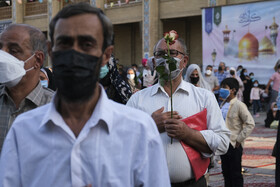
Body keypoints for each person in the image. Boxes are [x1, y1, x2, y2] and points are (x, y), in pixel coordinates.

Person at [0, 3, 170, 186]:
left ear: (106, 55)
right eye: (64, 43)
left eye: (86, 44)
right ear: (50, 50)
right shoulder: (24, 130)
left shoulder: (139, 131)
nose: (74, 53)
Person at [127, 37, 230, 186]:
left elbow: (223, 143)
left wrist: (188, 133)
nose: (166, 58)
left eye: (173, 53)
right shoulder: (137, 100)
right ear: (154, 62)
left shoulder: (203, 98)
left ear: (184, 60)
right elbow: (120, 144)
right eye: (160, 54)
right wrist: (150, 126)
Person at [0, 24, 54, 153]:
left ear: (38, 59)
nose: (3, 57)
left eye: (13, 51)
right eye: (0, 48)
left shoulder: (57, 109)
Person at [219, 78, 255, 187]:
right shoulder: (222, 104)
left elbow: (250, 123)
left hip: (234, 144)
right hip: (223, 143)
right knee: (226, 172)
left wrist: (239, 139)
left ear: (233, 90)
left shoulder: (239, 105)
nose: (222, 90)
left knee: (235, 173)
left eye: (225, 88)